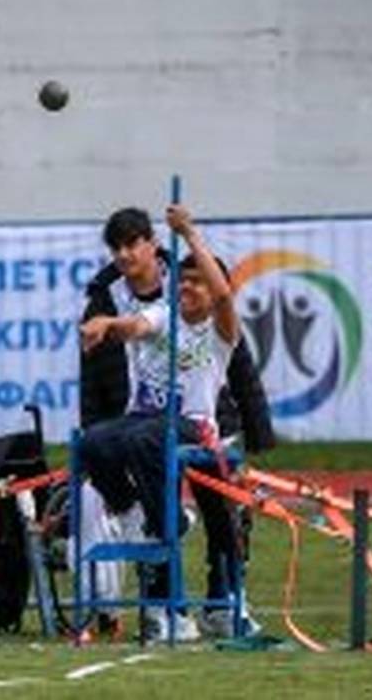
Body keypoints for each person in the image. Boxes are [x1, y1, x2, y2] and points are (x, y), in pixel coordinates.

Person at [77, 205, 269, 641]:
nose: (186, 287)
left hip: (194, 426)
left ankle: (221, 600)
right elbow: (134, 326)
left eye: (197, 282)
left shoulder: (221, 331)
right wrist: (106, 323)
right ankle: (136, 517)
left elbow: (224, 297)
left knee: (217, 514)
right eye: (182, 281)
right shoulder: (166, 315)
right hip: (147, 422)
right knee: (94, 442)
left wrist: (190, 233)